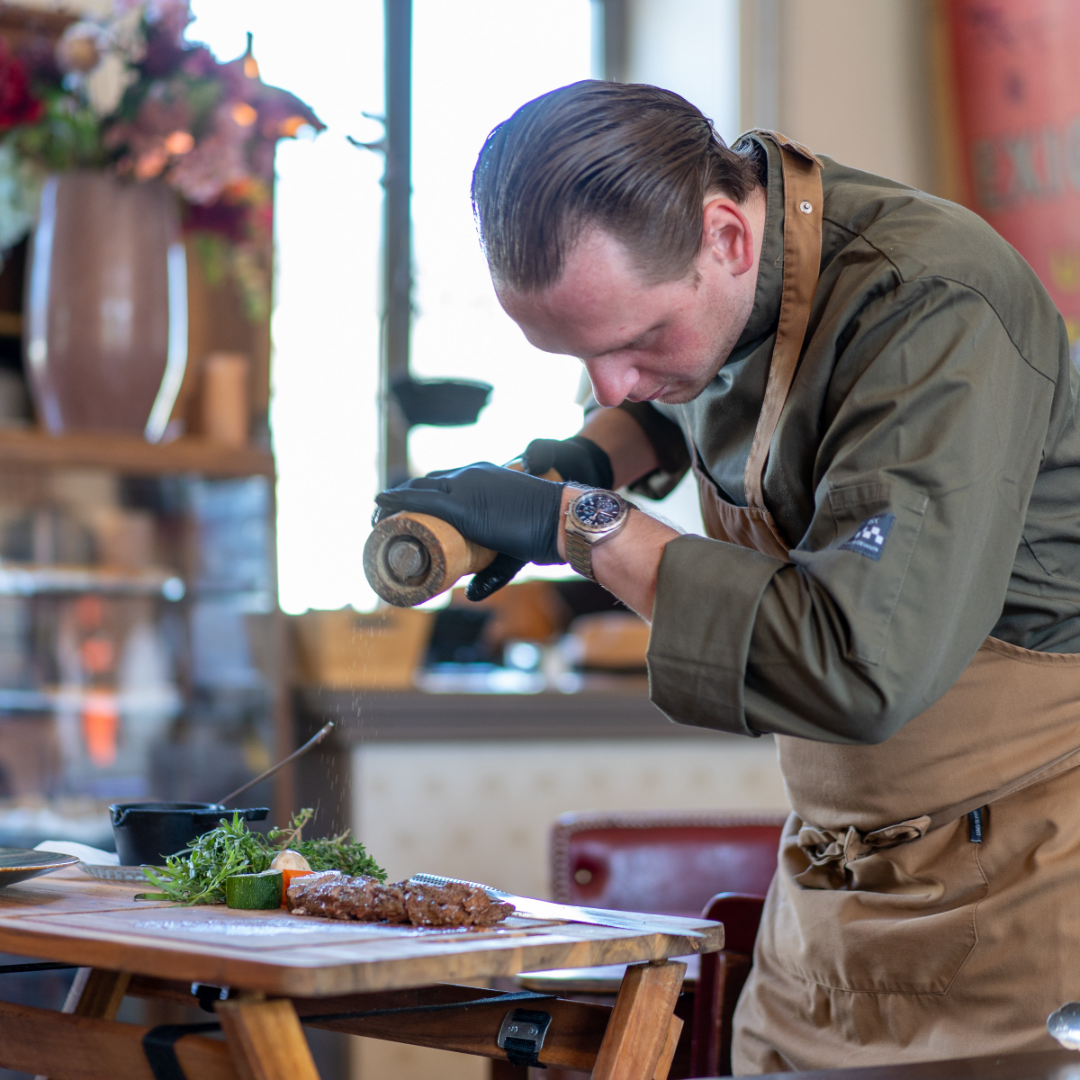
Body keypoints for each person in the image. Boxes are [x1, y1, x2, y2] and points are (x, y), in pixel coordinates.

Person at [374, 80, 1080, 1072]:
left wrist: (576, 524)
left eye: (633, 341)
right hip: (834, 894)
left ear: (726, 237)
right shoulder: (736, 281)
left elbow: (855, 664)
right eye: (580, 355)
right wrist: (581, 461)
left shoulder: (932, 306)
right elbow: (689, 395)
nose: (610, 382)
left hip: (1032, 897)